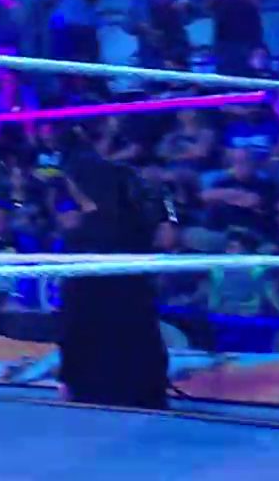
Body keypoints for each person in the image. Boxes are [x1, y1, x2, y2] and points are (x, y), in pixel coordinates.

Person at [56, 152, 169, 410]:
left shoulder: (81, 236)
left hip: (98, 352)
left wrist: (67, 373)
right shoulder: (136, 225)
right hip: (141, 346)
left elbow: (74, 312)